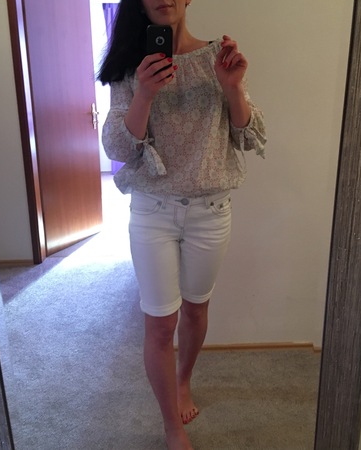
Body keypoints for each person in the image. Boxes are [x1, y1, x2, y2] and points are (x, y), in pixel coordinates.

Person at [98, 0, 266, 448]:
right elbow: (117, 147)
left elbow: (248, 136)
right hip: (152, 211)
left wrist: (233, 88)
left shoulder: (218, 58)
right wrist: (144, 94)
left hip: (211, 211)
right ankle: (172, 426)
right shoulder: (129, 66)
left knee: (195, 310)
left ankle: (184, 380)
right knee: (159, 324)